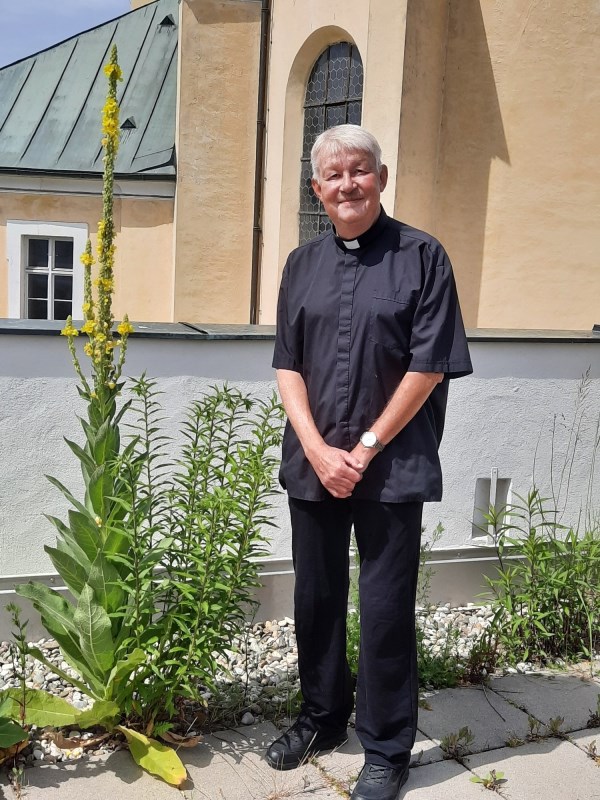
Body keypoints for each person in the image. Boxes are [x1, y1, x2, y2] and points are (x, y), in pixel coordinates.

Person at [266, 124, 472, 800]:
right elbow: (288, 366)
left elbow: (429, 366)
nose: (347, 183)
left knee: (384, 609)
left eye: (359, 170)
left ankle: (386, 748)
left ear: (381, 178)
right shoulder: (300, 265)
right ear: (316, 188)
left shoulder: (423, 257)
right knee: (317, 598)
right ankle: (322, 720)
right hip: (315, 465)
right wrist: (318, 449)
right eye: (334, 174)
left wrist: (363, 450)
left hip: (391, 465)